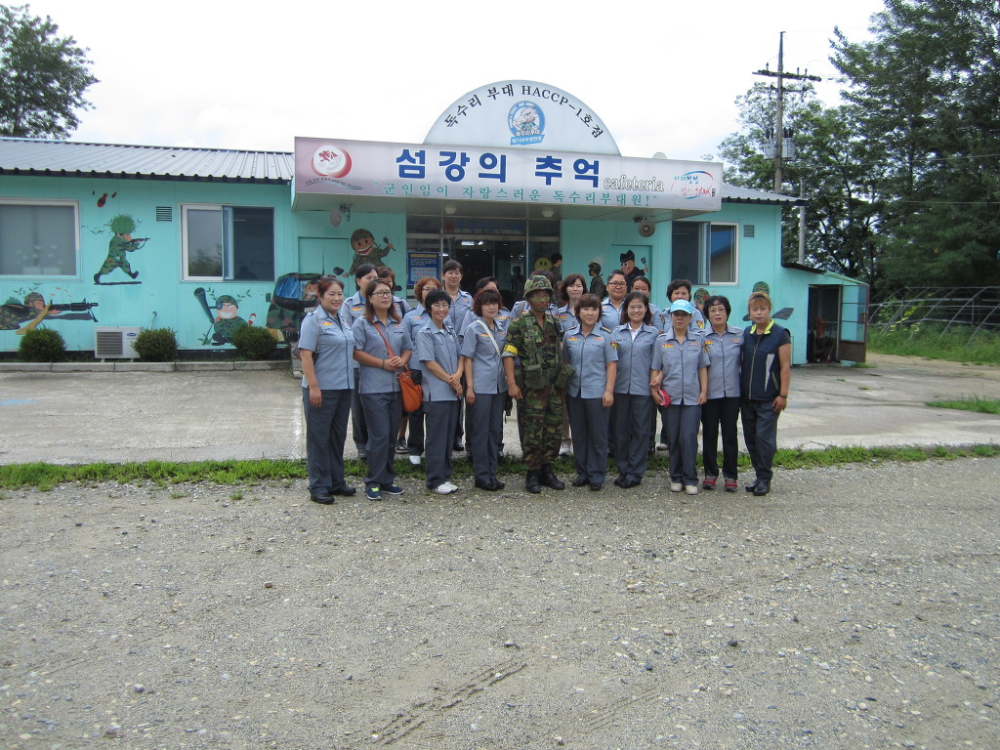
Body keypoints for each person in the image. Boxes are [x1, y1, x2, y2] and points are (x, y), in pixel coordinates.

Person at [502, 275, 568, 494]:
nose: (542, 299)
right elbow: (509, 354)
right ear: (528, 298)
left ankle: (547, 469)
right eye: (537, 295)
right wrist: (512, 383)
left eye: (545, 295)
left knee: (553, 429)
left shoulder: (553, 322)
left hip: (554, 387)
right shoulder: (519, 324)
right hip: (532, 388)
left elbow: (559, 350)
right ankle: (532, 471)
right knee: (532, 430)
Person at [352, 278, 412, 501]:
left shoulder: (398, 322)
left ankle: (387, 479)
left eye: (388, 292)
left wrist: (402, 360)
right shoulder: (362, 324)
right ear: (369, 298)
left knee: (390, 436)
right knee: (379, 435)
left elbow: (408, 348)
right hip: (373, 388)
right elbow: (356, 352)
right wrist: (383, 363)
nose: (386, 296)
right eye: (380, 293)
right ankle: (373, 481)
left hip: (396, 387)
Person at [299, 277, 356, 503]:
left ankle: (336, 481)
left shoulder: (343, 320)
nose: (337, 298)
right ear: (320, 296)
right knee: (319, 439)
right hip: (321, 389)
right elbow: (305, 355)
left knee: (337, 438)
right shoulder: (313, 320)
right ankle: (318, 485)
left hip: (343, 388)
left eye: (340, 293)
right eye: (331, 294)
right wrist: (313, 387)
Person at [652, 299, 709, 495]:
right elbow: (656, 368)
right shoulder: (661, 341)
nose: (680, 318)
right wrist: (655, 392)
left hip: (692, 398)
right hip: (670, 398)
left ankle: (690, 478)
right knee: (674, 438)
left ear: (690, 317)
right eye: (676, 314)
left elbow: (702, 368)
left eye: (684, 315)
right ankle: (675, 477)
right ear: (671, 316)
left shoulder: (698, 340)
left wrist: (703, 391)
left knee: (689, 437)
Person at [562, 294, 617, 491]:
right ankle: (582, 472)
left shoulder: (606, 335)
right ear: (578, 312)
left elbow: (612, 365)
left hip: (597, 393)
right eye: (586, 309)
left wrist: (609, 390)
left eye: (594, 309)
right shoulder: (569, 335)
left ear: (599, 312)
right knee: (579, 434)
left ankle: (596, 474)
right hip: (575, 392)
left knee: (598, 436)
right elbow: (566, 362)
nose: (590, 313)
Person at [740, 291, 791, 497]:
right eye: (755, 309)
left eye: (762, 309)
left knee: (764, 439)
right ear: (750, 312)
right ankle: (758, 475)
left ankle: (765, 478)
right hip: (747, 398)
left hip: (769, 399)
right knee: (751, 439)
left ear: (769, 310)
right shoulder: (747, 333)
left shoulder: (780, 334)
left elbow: (785, 367)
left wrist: (783, 395)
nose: (759, 313)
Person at [415, 289, 463, 495]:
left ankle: (445, 476)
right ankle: (435, 479)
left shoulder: (450, 331)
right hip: (437, 393)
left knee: (448, 437)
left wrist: (458, 375)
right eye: (437, 305)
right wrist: (452, 382)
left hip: (453, 392)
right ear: (429, 308)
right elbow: (430, 363)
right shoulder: (425, 333)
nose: (442, 309)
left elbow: (461, 356)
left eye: (445, 305)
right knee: (436, 437)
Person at [611, 291, 660, 489]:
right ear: (626, 309)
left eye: (640, 306)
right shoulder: (617, 332)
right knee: (620, 431)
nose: (636, 310)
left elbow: (658, 362)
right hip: (620, 388)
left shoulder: (653, 334)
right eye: (632, 307)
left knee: (640, 431)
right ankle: (623, 468)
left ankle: (635, 472)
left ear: (646, 309)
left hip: (643, 390)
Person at [461, 288, 508, 492]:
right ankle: (481, 476)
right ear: (479, 307)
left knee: (494, 431)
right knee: (480, 432)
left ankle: (492, 473)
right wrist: (470, 387)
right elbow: (467, 359)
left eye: (494, 303)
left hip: (499, 387)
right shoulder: (473, 328)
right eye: (487, 303)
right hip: (480, 387)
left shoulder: (502, 328)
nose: (491, 307)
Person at [700, 295, 744, 492]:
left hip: (732, 394)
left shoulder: (739, 335)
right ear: (707, 314)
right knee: (709, 434)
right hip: (709, 394)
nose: (717, 313)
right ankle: (710, 473)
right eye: (713, 310)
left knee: (730, 435)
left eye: (721, 310)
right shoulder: (701, 337)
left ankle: (731, 475)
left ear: (727, 312)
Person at [401, 276, 442, 466]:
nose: (430, 292)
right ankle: (415, 448)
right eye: (426, 289)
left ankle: (435, 449)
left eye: (434, 289)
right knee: (416, 410)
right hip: (417, 369)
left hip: (437, 370)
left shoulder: (443, 315)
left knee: (435, 412)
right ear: (419, 292)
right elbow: (404, 343)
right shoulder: (411, 316)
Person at [342, 264, 380, 459]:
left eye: (375, 277)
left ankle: (378, 442)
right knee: (358, 407)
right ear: (358, 281)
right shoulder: (349, 305)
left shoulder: (382, 302)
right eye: (368, 278)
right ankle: (362, 444)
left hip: (381, 365)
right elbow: (349, 336)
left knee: (378, 406)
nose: (373, 281)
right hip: (359, 365)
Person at [442, 259, 473, 451]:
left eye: (457, 272)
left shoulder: (469, 299)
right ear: (443, 275)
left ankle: (457, 436)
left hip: (463, 354)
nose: (453, 276)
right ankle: (445, 436)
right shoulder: (437, 297)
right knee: (444, 396)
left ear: (461, 276)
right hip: (442, 354)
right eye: (450, 272)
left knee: (460, 396)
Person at [555, 273, 587, 456]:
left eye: (579, 285)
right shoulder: (558, 313)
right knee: (563, 405)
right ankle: (564, 441)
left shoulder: (590, 310)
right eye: (572, 286)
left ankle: (579, 441)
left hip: (586, 364)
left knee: (581, 405)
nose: (576, 289)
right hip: (564, 365)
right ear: (565, 289)